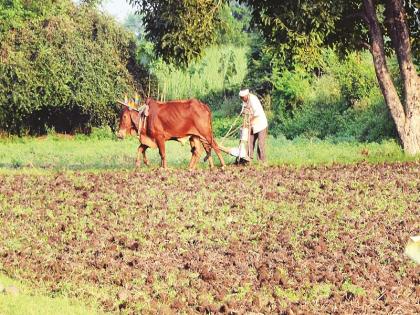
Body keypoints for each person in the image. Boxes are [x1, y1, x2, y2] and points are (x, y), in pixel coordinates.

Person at [239, 89, 268, 163]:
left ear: (246, 96)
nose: (242, 99)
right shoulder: (245, 101)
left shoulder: (253, 99)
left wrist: (249, 122)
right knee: (249, 142)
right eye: (241, 98)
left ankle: (262, 161)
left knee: (260, 144)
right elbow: (243, 112)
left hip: (261, 124)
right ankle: (248, 159)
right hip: (252, 125)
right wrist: (244, 120)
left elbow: (257, 114)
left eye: (243, 98)